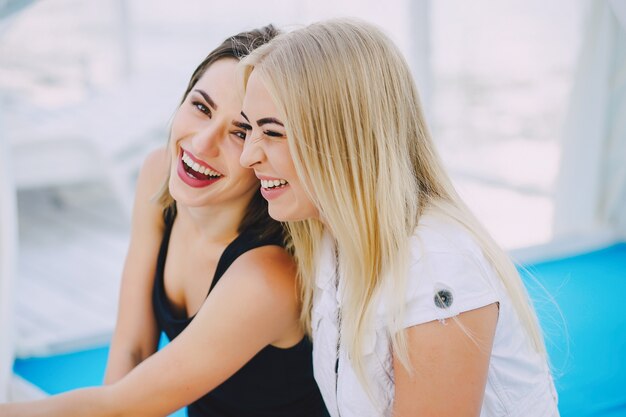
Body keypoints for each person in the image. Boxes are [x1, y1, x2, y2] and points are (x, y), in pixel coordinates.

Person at [238, 19, 560, 417]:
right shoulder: (330, 240)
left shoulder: (435, 262)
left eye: (271, 132)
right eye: (248, 128)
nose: (247, 155)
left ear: (342, 135)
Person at [0, 25, 328, 417]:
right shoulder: (159, 174)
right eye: (201, 107)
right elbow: (132, 349)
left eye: (239, 133)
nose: (202, 143)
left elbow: (124, 406)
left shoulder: (267, 275)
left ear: (264, 152)